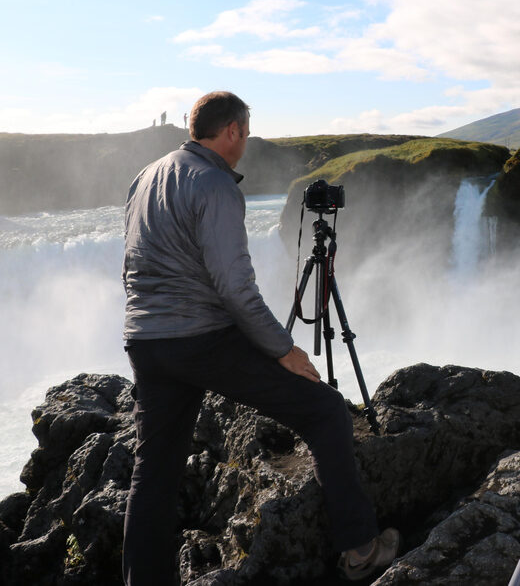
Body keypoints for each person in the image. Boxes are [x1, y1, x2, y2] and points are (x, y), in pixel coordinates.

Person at [122, 91, 400, 584]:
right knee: (325, 410)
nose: (246, 142)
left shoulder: (146, 176)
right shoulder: (214, 183)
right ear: (231, 130)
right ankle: (361, 550)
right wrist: (283, 349)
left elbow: (131, 265)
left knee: (154, 473)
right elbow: (235, 287)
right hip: (201, 339)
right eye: (246, 133)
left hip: (145, 340)